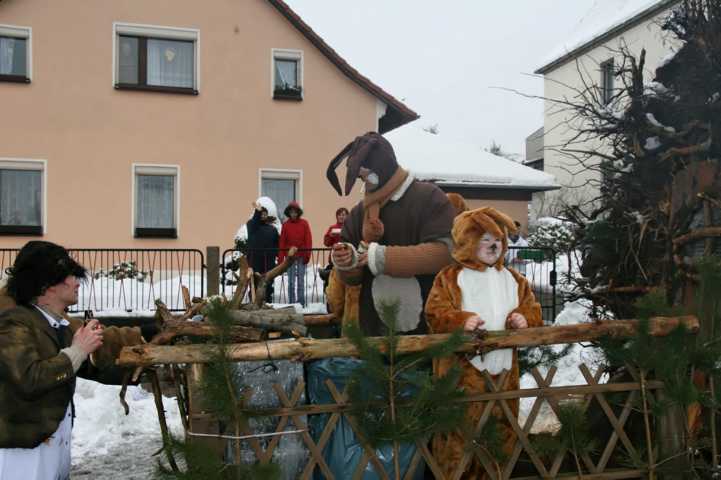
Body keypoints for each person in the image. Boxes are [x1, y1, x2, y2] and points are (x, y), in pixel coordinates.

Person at [0, 241, 144, 480]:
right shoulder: (13, 322)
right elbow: (28, 379)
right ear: (47, 284)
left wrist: (145, 365)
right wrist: (77, 350)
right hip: (24, 455)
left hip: (53, 446)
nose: (77, 283)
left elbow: (88, 366)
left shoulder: (53, 322)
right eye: (71, 276)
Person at [425, 208, 542, 478]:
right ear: (467, 241)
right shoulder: (450, 278)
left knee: (502, 436)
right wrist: (459, 320)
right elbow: (435, 314)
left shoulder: (513, 279)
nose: (493, 245)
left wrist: (525, 319)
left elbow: (532, 310)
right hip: (462, 377)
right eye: (485, 239)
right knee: (458, 441)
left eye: (498, 240)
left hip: (503, 375)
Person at [327, 132, 456, 336]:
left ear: (381, 169)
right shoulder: (361, 212)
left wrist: (380, 257)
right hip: (373, 336)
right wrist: (346, 261)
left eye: (366, 176)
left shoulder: (428, 198)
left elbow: (444, 253)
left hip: (426, 335)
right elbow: (353, 279)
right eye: (361, 178)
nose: (364, 183)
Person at [246, 197, 280, 303]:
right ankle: (254, 303)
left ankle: (268, 302)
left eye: (265, 213)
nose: (263, 215)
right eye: (261, 213)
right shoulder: (252, 225)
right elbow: (255, 220)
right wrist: (258, 210)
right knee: (255, 284)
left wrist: (276, 255)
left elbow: (276, 245)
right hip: (255, 261)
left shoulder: (272, 229)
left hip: (268, 262)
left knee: (268, 285)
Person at [279, 201, 312, 306]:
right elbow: (282, 242)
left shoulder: (304, 223)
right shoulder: (285, 225)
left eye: (295, 212)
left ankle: (301, 304)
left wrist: (307, 255)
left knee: (301, 281)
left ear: (298, 213)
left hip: (302, 256)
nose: (293, 214)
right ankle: (292, 304)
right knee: (291, 282)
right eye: (291, 212)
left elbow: (308, 240)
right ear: (289, 213)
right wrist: (281, 259)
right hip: (290, 257)